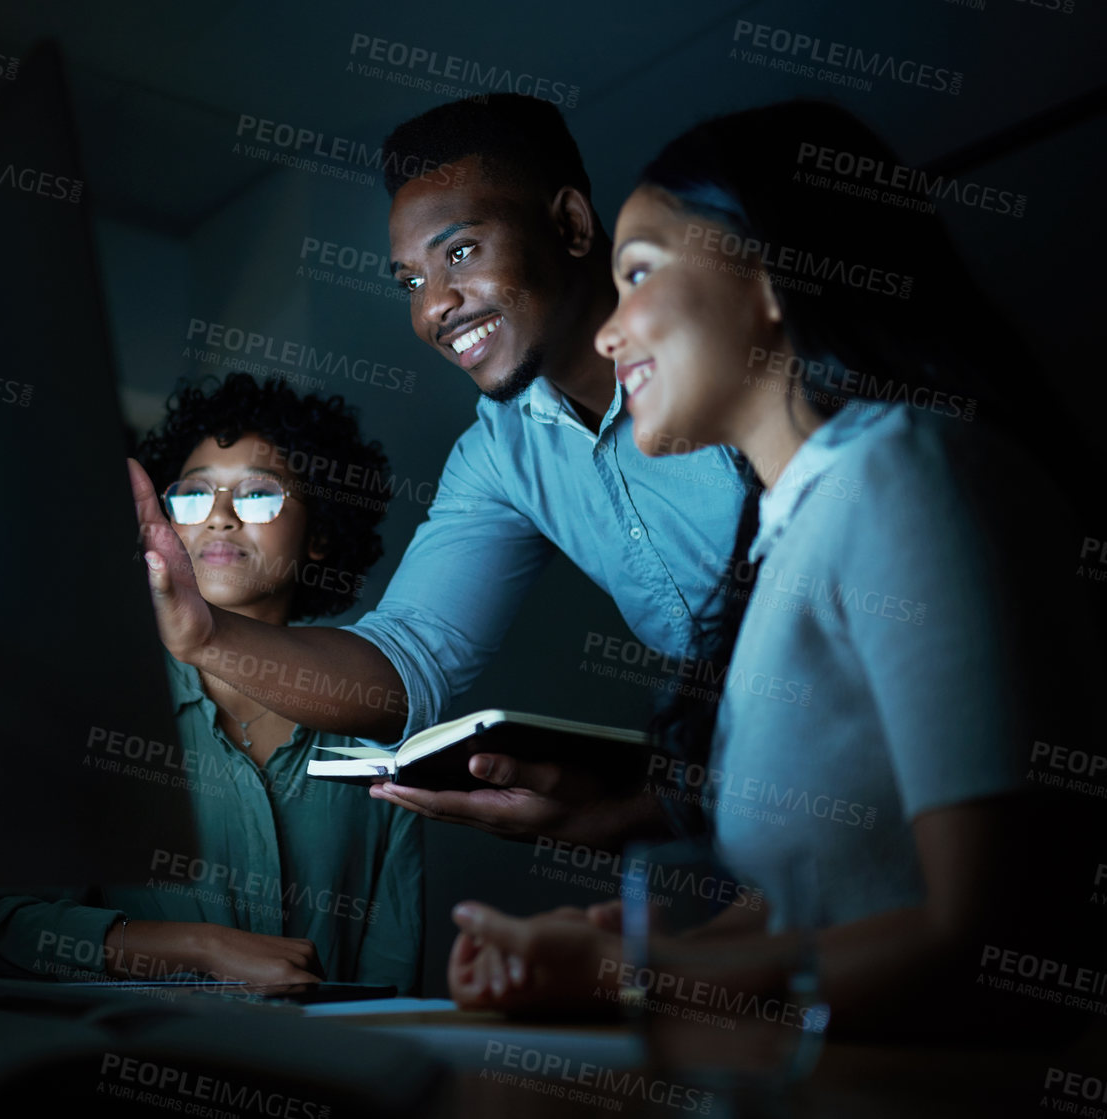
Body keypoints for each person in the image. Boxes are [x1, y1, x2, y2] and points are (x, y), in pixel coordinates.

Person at [442, 100, 1102, 1041]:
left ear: (767, 274)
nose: (606, 332)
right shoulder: (789, 532)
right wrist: (631, 958)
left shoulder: (898, 470)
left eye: (637, 274)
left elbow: (983, 930)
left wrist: (640, 977)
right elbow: (824, 909)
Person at [129, 94, 748, 850]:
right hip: (779, 842)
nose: (435, 309)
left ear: (571, 225)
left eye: (459, 253)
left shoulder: (740, 367)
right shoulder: (498, 455)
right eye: (409, 282)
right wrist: (201, 635)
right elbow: (401, 666)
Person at [0, 374, 422, 992]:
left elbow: (391, 983)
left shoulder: (379, 729)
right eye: (195, 497)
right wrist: (203, 948)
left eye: (258, 496)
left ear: (323, 536)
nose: (220, 518)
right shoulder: (92, 706)